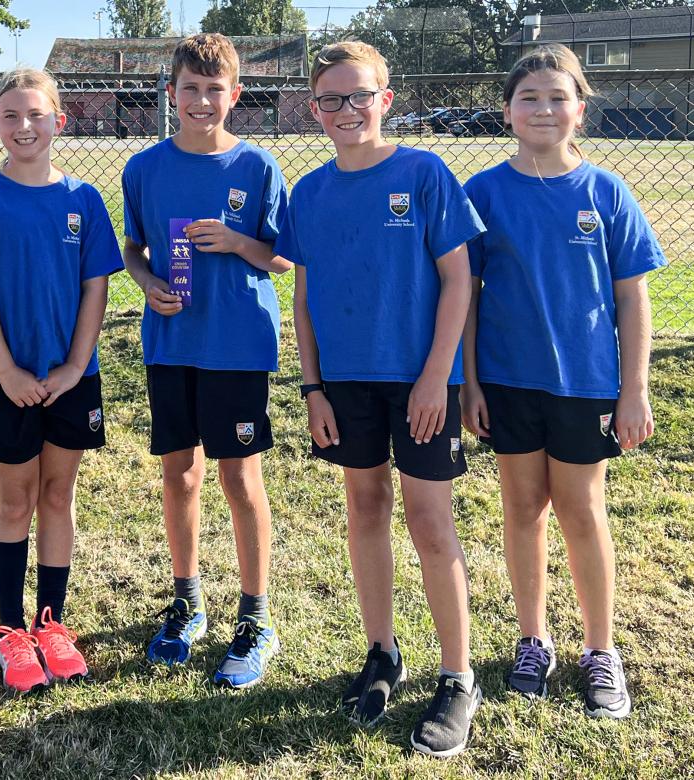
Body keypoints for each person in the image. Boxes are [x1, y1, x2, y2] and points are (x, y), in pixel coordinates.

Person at [275, 41, 485, 757]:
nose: (346, 110)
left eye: (359, 95)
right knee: (365, 508)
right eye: (330, 99)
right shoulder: (308, 192)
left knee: (430, 523)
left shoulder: (423, 172)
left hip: (420, 379)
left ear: (385, 99)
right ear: (314, 108)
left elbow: (459, 281)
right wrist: (312, 389)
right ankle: (382, 652)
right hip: (345, 382)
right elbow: (302, 301)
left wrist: (437, 376)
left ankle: (458, 678)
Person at [461, 43, 666, 720]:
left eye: (557, 97)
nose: (543, 109)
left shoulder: (606, 192)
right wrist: (470, 381)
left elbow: (634, 299)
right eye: (529, 98)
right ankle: (532, 640)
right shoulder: (484, 193)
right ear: (506, 111)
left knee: (580, 509)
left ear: (580, 108)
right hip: (508, 383)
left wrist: (633, 390)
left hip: (586, 385)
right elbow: (463, 292)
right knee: (522, 509)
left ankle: (601, 650)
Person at [0, 67, 122, 693]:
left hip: (74, 378)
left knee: (57, 496)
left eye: (36, 115)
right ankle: (11, 631)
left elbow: (94, 286)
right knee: (14, 499)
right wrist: (7, 370)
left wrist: (75, 366)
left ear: (58, 122)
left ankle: (52, 623)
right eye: (11, 116)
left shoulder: (84, 200)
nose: (24, 127)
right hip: (6, 382)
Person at [120, 32, 290, 689]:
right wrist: (146, 283)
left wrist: (239, 242)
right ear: (172, 94)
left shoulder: (257, 169)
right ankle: (187, 598)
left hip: (237, 346)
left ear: (234, 95)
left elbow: (281, 256)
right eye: (189, 88)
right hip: (172, 345)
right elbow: (134, 248)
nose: (201, 100)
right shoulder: (144, 169)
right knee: (180, 475)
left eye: (214, 89)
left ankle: (255, 614)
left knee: (239, 479)